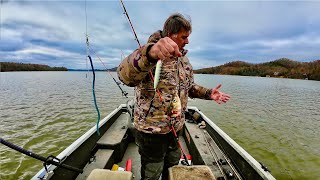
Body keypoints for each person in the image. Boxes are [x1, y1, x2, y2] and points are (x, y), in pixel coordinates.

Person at [117, 13, 230, 180]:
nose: (187, 41)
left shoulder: (184, 59)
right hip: (152, 131)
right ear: (171, 34)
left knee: (172, 166)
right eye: (184, 37)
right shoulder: (149, 52)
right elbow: (124, 75)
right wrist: (150, 53)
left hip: (176, 127)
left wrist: (208, 93)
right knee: (152, 173)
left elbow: (189, 87)